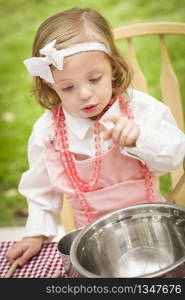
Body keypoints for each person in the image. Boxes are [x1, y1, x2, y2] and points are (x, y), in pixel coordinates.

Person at [6, 7, 185, 267]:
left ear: (112, 67)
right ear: (50, 84)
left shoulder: (140, 110)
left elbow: (175, 155)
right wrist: (35, 232)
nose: (85, 94)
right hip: (96, 250)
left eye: (94, 78)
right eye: (68, 87)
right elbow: (40, 191)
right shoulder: (49, 133)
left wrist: (140, 140)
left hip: (153, 235)